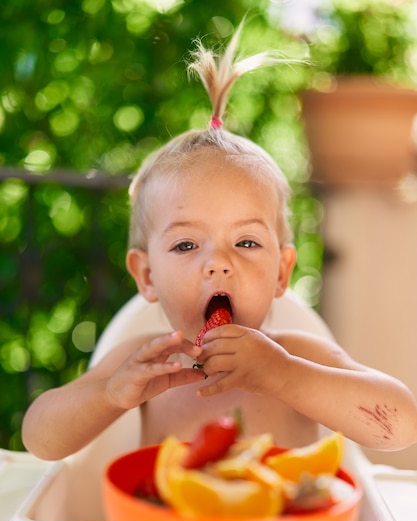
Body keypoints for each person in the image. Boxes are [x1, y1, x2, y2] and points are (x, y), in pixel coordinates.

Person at [22, 23, 417, 461]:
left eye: (246, 243)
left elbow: (400, 425)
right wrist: (110, 395)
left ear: (282, 271)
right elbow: (39, 439)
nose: (218, 264)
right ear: (147, 274)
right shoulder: (142, 362)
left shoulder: (298, 354)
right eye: (187, 246)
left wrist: (285, 376)